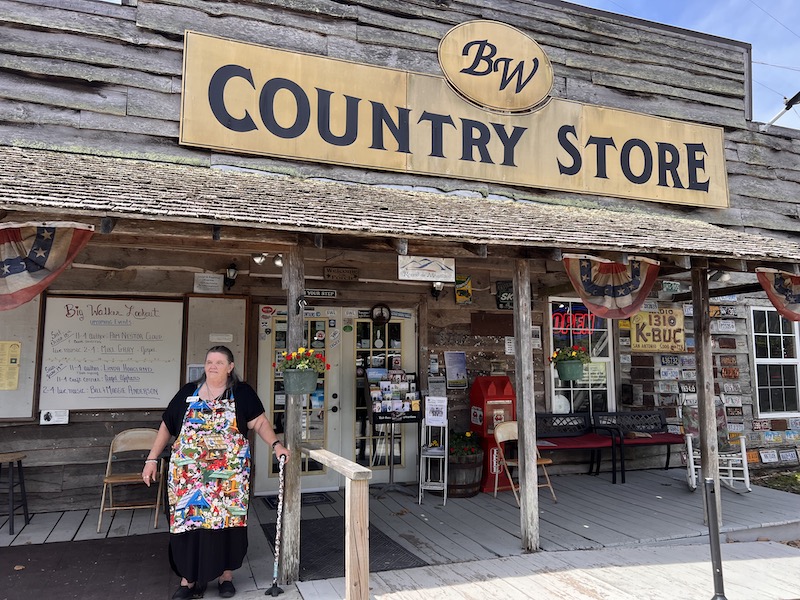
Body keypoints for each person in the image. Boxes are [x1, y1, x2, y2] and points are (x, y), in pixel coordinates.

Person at [142, 345, 290, 599]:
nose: (212, 366)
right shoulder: (189, 392)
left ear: (230, 367)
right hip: (188, 479)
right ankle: (187, 579)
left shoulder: (242, 393)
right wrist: (151, 458)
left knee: (227, 524)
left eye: (219, 362)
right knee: (187, 524)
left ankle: (226, 576)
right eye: (209, 361)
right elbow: (167, 424)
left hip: (228, 479)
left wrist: (276, 445)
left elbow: (261, 423)